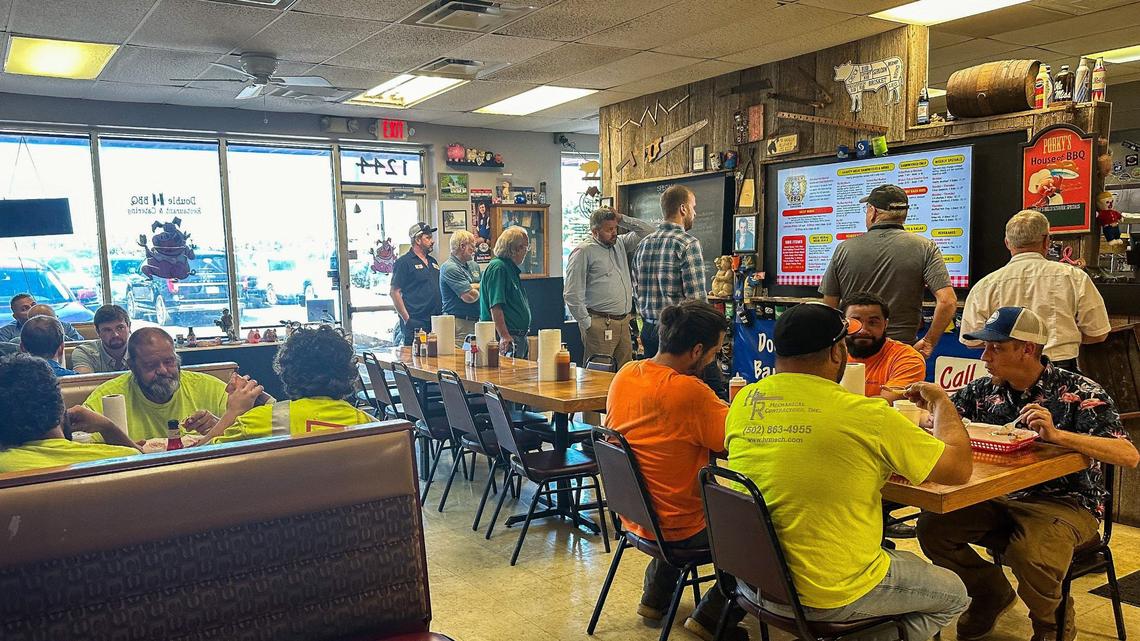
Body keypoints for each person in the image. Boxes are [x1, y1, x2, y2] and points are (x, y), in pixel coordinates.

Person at [725, 302, 973, 641]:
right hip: (829, 593)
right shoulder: (868, 415)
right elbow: (958, 469)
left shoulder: (744, 401)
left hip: (754, 582)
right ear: (837, 352)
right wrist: (942, 402)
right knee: (954, 593)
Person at [917, 306, 1138, 641]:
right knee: (934, 527)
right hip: (996, 495)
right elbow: (939, 420)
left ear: (1028, 349)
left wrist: (1059, 436)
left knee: (1031, 553)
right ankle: (990, 592)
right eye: (985, 347)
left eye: (996, 347)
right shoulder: (984, 389)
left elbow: (1128, 455)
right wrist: (928, 412)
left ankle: (1052, 626)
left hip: (1067, 503)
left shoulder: (1080, 391)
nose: (985, 356)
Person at [603, 300, 745, 639]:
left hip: (636, 515)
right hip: (678, 527)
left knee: (669, 493)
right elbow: (733, 440)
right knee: (760, 534)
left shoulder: (626, 374)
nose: (714, 361)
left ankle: (655, 598)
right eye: (714, 352)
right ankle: (711, 617)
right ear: (697, 351)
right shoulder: (689, 391)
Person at [960, 209, 1109, 372]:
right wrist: (1067, 338)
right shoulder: (1074, 277)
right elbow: (1098, 333)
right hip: (1060, 371)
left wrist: (1004, 344)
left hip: (1006, 372)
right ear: (1046, 241)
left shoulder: (984, 286)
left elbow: (971, 341)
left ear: (1007, 243)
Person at [820, 184, 956, 358]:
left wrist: (835, 345)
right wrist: (929, 341)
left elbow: (829, 307)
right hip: (901, 353)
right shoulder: (926, 247)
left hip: (854, 350)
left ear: (873, 212)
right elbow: (948, 301)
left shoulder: (844, 249)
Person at [200, 326, 376, 444]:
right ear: (348, 373)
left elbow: (195, 462)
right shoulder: (368, 423)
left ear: (287, 370)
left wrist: (232, 413)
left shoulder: (257, 422)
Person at [632, 184, 724, 395]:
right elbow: (697, 302)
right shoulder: (687, 244)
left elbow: (636, 291)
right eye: (693, 207)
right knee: (708, 392)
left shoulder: (643, 245)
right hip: (680, 336)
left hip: (649, 332)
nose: (695, 213)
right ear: (683, 209)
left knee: (657, 392)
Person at [0, 353, 140, 473]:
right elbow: (146, 466)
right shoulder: (126, 458)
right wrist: (108, 427)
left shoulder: (4, 467)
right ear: (61, 406)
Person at [83, 327, 229, 441]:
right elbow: (80, 444)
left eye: (169, 362)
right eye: (150, 365)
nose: (163, 370)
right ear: (132, 366)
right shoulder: (108, 396)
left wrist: (221, 426)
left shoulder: (209, 388)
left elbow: (240, 431)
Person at [564, 206, 655, 368]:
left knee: (625, 373)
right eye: (609, 230)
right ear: (595, 231)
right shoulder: (583, 252)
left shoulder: (620, 243)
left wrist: (622, 218)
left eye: (615, 228)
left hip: (623, 322)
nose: (614, 233)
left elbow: (649, 232)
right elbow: (572, 293)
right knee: (599, 374)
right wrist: (587, 323)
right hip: (599, 323)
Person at [842, 292, 926, 403]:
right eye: (855, 322)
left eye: (872, 323)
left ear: (885, 324)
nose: (863, 330)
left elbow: (885, 403)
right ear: (843, 323)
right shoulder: (828, 354)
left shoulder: (908, 358)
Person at [480, 226, 531, 359]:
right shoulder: (498, 268)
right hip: (507, 337)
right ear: (516, 249)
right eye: (526, 247)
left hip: (517, 336)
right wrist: (504, 335)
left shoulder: (510, 268)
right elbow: (496, 306)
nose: (526, 252)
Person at [391, 222, 442, 347]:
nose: (432, 241)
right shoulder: (404, 262)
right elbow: (394, 292)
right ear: (418, 240)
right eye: (428, 238)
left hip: (434, 321)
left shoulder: (433, 262)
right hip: (416, 321)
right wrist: (407, 318)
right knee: (416, 356)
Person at [439, 229, 482, 342]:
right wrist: (479, 286)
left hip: (476, 321)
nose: (475, 250)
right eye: (472, 247)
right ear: (462, 246)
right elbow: (470, 297)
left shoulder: (474, 265)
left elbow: (486, 289)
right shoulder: (449, 267)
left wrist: (472, 286)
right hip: (459, 324)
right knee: (461, 354)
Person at [71, 304, 131, 374]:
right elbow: (84, 380)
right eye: (107, 330)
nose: (115, 334)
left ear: (129, 327)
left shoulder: (141, 348)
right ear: (98, 332)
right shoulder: (85, 352)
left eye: (120, 328)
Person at [1, 296, 83, 343]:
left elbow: (80, 345)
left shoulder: (64, 326)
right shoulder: (5, 332)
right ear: (15, 316)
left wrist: (55, 332)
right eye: (24, 309)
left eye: (34, 305)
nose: (32, 309)